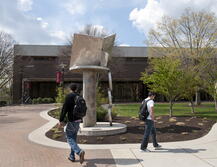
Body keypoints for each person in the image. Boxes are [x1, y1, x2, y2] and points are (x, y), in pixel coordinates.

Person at [58, 83, 85, 164]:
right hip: (78, 120)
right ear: (76, 89)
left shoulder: (69, 96)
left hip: (72, 120)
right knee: (73, 139)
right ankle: (72, 156)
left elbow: (64, 109)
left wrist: (61, 120)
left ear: (70, 88)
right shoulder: (79, 96)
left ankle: (79, 151)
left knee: (69, 138)